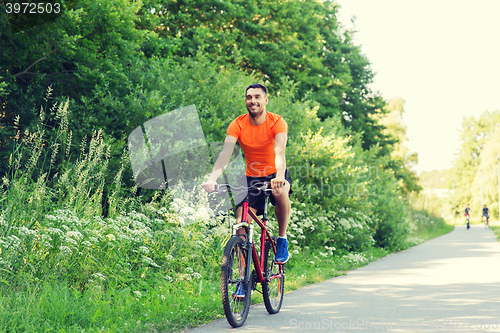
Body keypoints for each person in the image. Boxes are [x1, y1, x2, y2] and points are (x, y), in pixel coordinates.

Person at [202, 83, 293, 266]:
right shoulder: (238, 124)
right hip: (251, 178)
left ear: (265, 100)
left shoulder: (277, 122)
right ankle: (243, 279)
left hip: (276, 173)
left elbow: (279, 151)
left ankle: (282, 239)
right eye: (249, 97)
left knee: (280, 192)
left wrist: (280, 176)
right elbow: (225, 154)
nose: (253, 101)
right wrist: (212, 178)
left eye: (257, 97)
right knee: (240, 227)